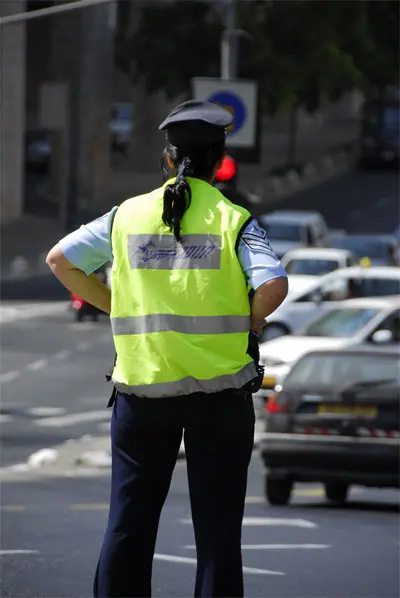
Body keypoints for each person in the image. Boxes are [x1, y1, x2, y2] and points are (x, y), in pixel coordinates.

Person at [46, 99, 288, 598]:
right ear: (220, 161)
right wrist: (251, 319)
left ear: (169, 159)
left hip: (141, 395)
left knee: (128, 524)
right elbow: (274, 283)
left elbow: (60, 260)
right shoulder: (234, 219)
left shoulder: (125, 217)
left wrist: (114, 305)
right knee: (218, 533)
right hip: (221, 398)